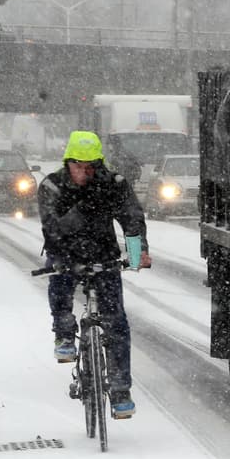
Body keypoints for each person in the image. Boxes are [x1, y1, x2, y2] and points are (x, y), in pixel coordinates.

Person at [38, 131, 151, 419]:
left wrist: (138, 254)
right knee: (60, 279)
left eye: (91, 167)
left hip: (103, 254)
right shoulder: (52, 186)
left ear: (99, 163)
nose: (85, 173)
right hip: (65, 252)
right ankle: (64, 332)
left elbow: (132, 219)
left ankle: (121, 389)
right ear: (68, 163)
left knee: (116, 322)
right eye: (78, 166)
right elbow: (53, 229)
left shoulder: (114, 185)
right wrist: (84, 208)